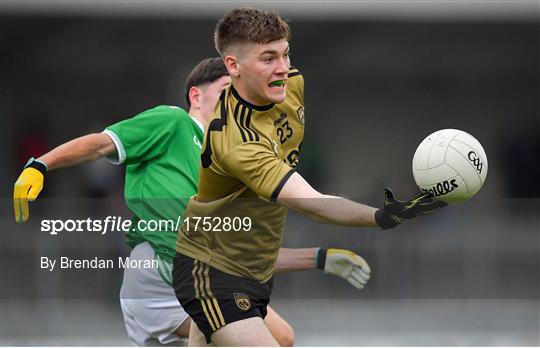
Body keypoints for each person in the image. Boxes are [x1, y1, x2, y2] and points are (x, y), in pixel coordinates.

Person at [13, 57, 372, 346]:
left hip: (201, 276)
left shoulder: (232, 163)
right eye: (226, 91)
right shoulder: (172, 123)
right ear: (196, 97)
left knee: (284, 337)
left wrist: (319, 258)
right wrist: (42, 164)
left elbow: (243, 258)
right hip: (158, 273)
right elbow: (100, 143)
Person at [172, 8, 447, 346]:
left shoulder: (291, 84)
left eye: (285, 54)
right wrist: (382, 216)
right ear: (233, 66)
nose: (282, 68)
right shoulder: (236, 141)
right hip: (212, 273)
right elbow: (312, 203)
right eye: (268, 58)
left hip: (252, 272)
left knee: (285, 339)